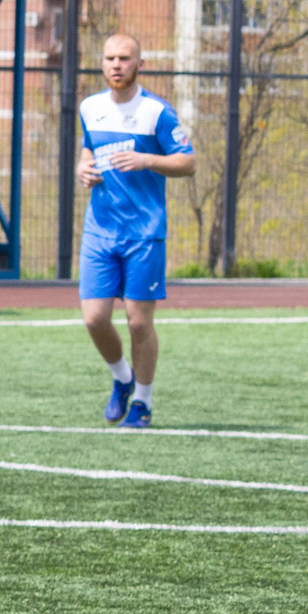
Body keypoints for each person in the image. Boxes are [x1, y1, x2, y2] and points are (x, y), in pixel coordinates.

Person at [78, 33, 195, 427]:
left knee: (139, 322)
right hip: (99, 230)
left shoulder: (157, 113)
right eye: (110, 58)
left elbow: (188, 162)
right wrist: (84, 168)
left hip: (144, 233)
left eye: (124, 58)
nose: (116, 65)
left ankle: (143, 402)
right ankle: (122, 379)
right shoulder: (90, 107)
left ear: (139, 63)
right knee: (94, 318)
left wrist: (147, 159)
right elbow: (88, 148)